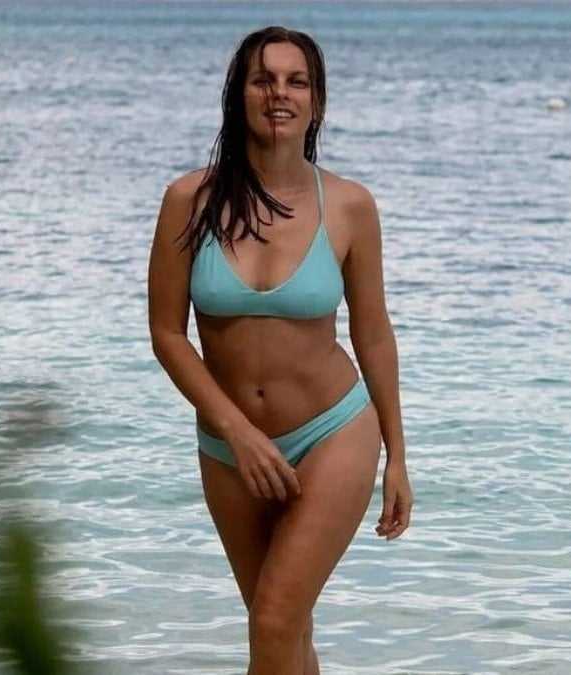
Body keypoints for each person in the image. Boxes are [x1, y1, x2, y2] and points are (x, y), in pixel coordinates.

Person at [146, 25, 412, 674]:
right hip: (229, 447)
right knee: (285, 632)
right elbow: (167, 333)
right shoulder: (188, 201)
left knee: (273, 621)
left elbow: (373, 333)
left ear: (316, 102)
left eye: (297, 82)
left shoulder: (349, 206)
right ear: (238, 94)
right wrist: (236, 431)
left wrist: (398, 456)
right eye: (263, 80)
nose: (279, 94)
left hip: (333, 430)